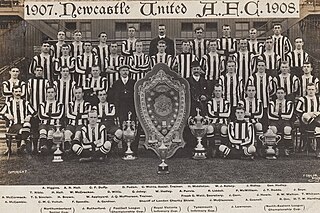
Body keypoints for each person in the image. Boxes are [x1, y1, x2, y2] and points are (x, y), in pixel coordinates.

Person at [109, 65, 140, 157]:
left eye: (126, 70)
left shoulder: (134, 83)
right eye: (123, 70)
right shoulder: (116, 83)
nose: (125, 72)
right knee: (124, 128)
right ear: (120, 72)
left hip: (132, 109)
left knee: (133, 128)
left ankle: (134, 149)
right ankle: (124, 149)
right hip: (121, 110)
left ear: (129, 72)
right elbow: (114, 98)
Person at [0, 85, 36, 155]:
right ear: (13, 93)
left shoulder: (26, 103)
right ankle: (25, 140)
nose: (18, 93)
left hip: (24, 124)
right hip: (13, 125)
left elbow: (34, 113)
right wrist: (6, 115)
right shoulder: (8, 104)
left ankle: (22, 142)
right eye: (16, 91)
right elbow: (0, 114)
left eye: (19, 91)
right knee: (24, 128)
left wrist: (29, 115)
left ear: (21, 93)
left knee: (27, 124)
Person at [95, 89, 123, 154]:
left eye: (104, 94)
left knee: (119, 132)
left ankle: (112, 146)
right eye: (100, 95)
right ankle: (101, 151)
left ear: (106, 95)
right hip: (100, 126)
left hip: (110, 125)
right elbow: (95, 116)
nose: (102, 97)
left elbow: (113, 114)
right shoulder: (95, 107)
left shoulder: (111, 105)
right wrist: (105, 116)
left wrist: (102, 116)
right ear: (98, 96)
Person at [296, 83, 320, 158]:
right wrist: (309, 113)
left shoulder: (319, 99)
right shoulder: (302, 99)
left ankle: (318, 150)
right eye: (309, 89)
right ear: (306, 90)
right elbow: (297, 110)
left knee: (318, 129)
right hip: (306, 121)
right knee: (305, 115)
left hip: (317, 119)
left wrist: (316, 113)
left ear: (316, 90)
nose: (311, 91)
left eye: (312, 89)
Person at [268, 87, 294, 157]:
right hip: (275, 122)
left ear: (285, 94)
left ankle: (286, 148)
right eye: (278, 93)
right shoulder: (272, 103)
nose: (280, 95)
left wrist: (277, 114)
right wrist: (283, 115)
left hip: (285, 122)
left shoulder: (289, 103)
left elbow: (289, 115)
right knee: (273, 129)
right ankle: (275, 148)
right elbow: (270, 115)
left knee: (287, 129)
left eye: (282, 93)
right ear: (276, 94)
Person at [38, 86, 64, 153]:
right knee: (43, 130)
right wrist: (53, 114)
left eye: (52, 92)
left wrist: (48, 114)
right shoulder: (42, 104)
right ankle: (43, 147)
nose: (50, 94)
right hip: (43, 124)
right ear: (46, 94)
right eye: (48, 92)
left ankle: (49, 147)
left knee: (50, 132)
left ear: (55, 93)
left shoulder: (59, 104)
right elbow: (41, 116)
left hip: (54, 125)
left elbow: (59, 115)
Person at [206, 84, 230, 158]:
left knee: (224, 129)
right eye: (216, 91)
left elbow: (228, 114)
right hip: (213, 122)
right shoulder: (210, 102)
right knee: (209, 128)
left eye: (219, 91)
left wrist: (216, 113)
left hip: (223, 123)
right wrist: (222, 113)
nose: (217, 92)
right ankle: (212, 149)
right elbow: (210, 114)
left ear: (222, 91)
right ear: (213, 91)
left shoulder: (226, 102)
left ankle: (222, 149)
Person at [65, 86, 90, 152]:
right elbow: (68, 115)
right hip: (71, 124)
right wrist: (81, 114)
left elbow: (87, 116)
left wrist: (76, 114)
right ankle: (68, 151)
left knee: (77, 135)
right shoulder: (71, 104)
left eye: (79, 93)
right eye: (76, 93)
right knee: (67, 134)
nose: (78, 95)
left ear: (83, 94)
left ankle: (74, 151)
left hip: (81, 124)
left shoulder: (87, 104)